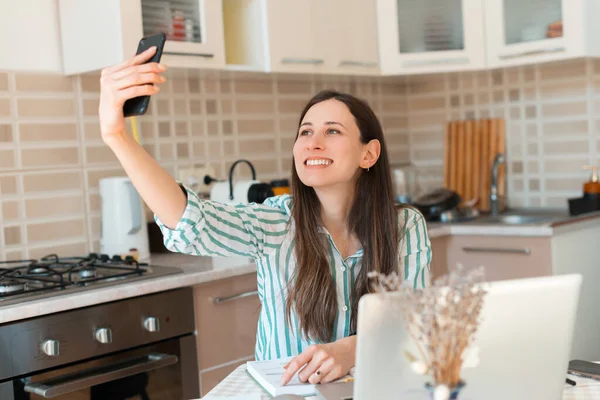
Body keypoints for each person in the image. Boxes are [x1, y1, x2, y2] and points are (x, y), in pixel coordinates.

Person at [98, 46, 432, 387]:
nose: (312, 143)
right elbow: (190, 221)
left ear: (369, 153)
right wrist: (117, 136)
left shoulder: (405, 226)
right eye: (305, 131)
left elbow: (415, 322)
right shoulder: (275, 223)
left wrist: (352, 349)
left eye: (332, 131)